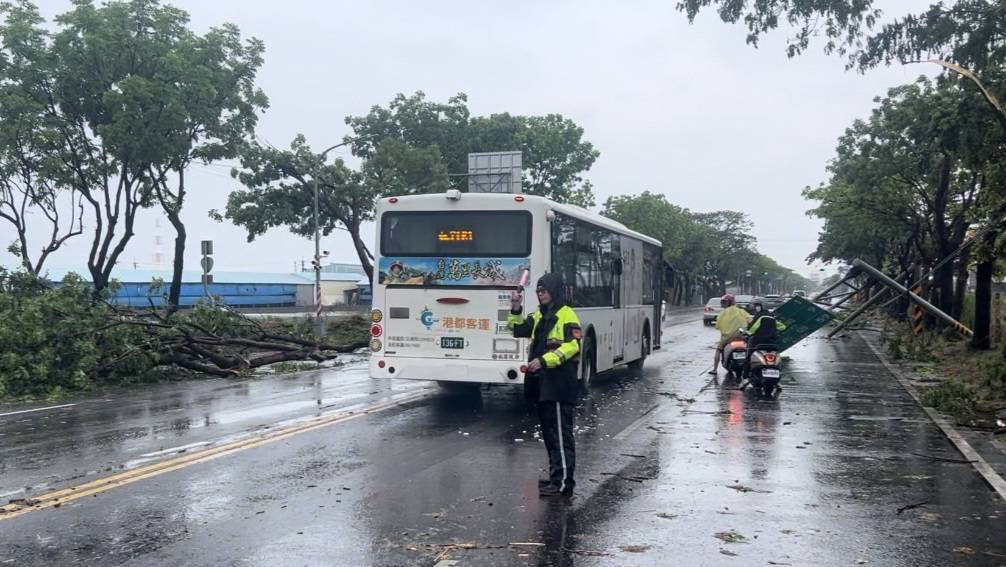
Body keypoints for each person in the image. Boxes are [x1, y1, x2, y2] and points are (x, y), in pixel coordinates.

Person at [508, 272, 582, 498]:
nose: (541, 295)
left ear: (555, 291)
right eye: (538, 291)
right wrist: (515, 308)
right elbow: (517, 329)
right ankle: (555, 476)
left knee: (561, 435)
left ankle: (563, 482)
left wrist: (544, 361)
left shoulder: (567, 314)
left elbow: (573, 346)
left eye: (545, 290)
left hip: (559, 384)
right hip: (543, 385)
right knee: (550, 434)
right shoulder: (539, 315)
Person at [742, 301, 787, 378]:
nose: (756, 308)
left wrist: (747, 333)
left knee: (749, 357)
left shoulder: (760, 317)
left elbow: (753, 329)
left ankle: (745, 376)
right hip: (772, 343)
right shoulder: (772, 318)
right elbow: (783, 327)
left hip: (758, 342)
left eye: (757, 306)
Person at [711, 294, 752, 375]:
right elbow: (750, 321)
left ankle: (715, 369)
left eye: (724, 302)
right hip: (742, 336)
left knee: (719, 349)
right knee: (750, 348)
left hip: (728, 337)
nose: (722, 304)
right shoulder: (741, 311)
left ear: (728, 303)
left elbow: (718, 326)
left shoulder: (723, 313)